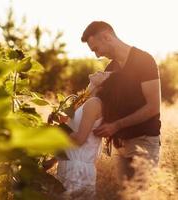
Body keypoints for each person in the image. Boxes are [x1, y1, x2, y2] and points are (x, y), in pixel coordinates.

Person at [81, 21, 161, 184]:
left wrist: (116, 126)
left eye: (96, 49)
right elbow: (94, 105)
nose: (97, 55)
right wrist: (93, 85)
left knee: (142, 194)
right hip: (122, 146)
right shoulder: (110, 68)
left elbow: (153, 107)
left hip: (143, 141)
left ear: (106, 37)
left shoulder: (144, 60)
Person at [45, 71, 112, 199]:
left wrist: (57, 131)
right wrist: (54, 160)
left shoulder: (94, 103)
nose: (101, 71)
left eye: (105, 74)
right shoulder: (85, 101)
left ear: (105, 85)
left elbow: (80, 138)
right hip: (69, 164)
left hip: (78, 169)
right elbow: (72, 131)